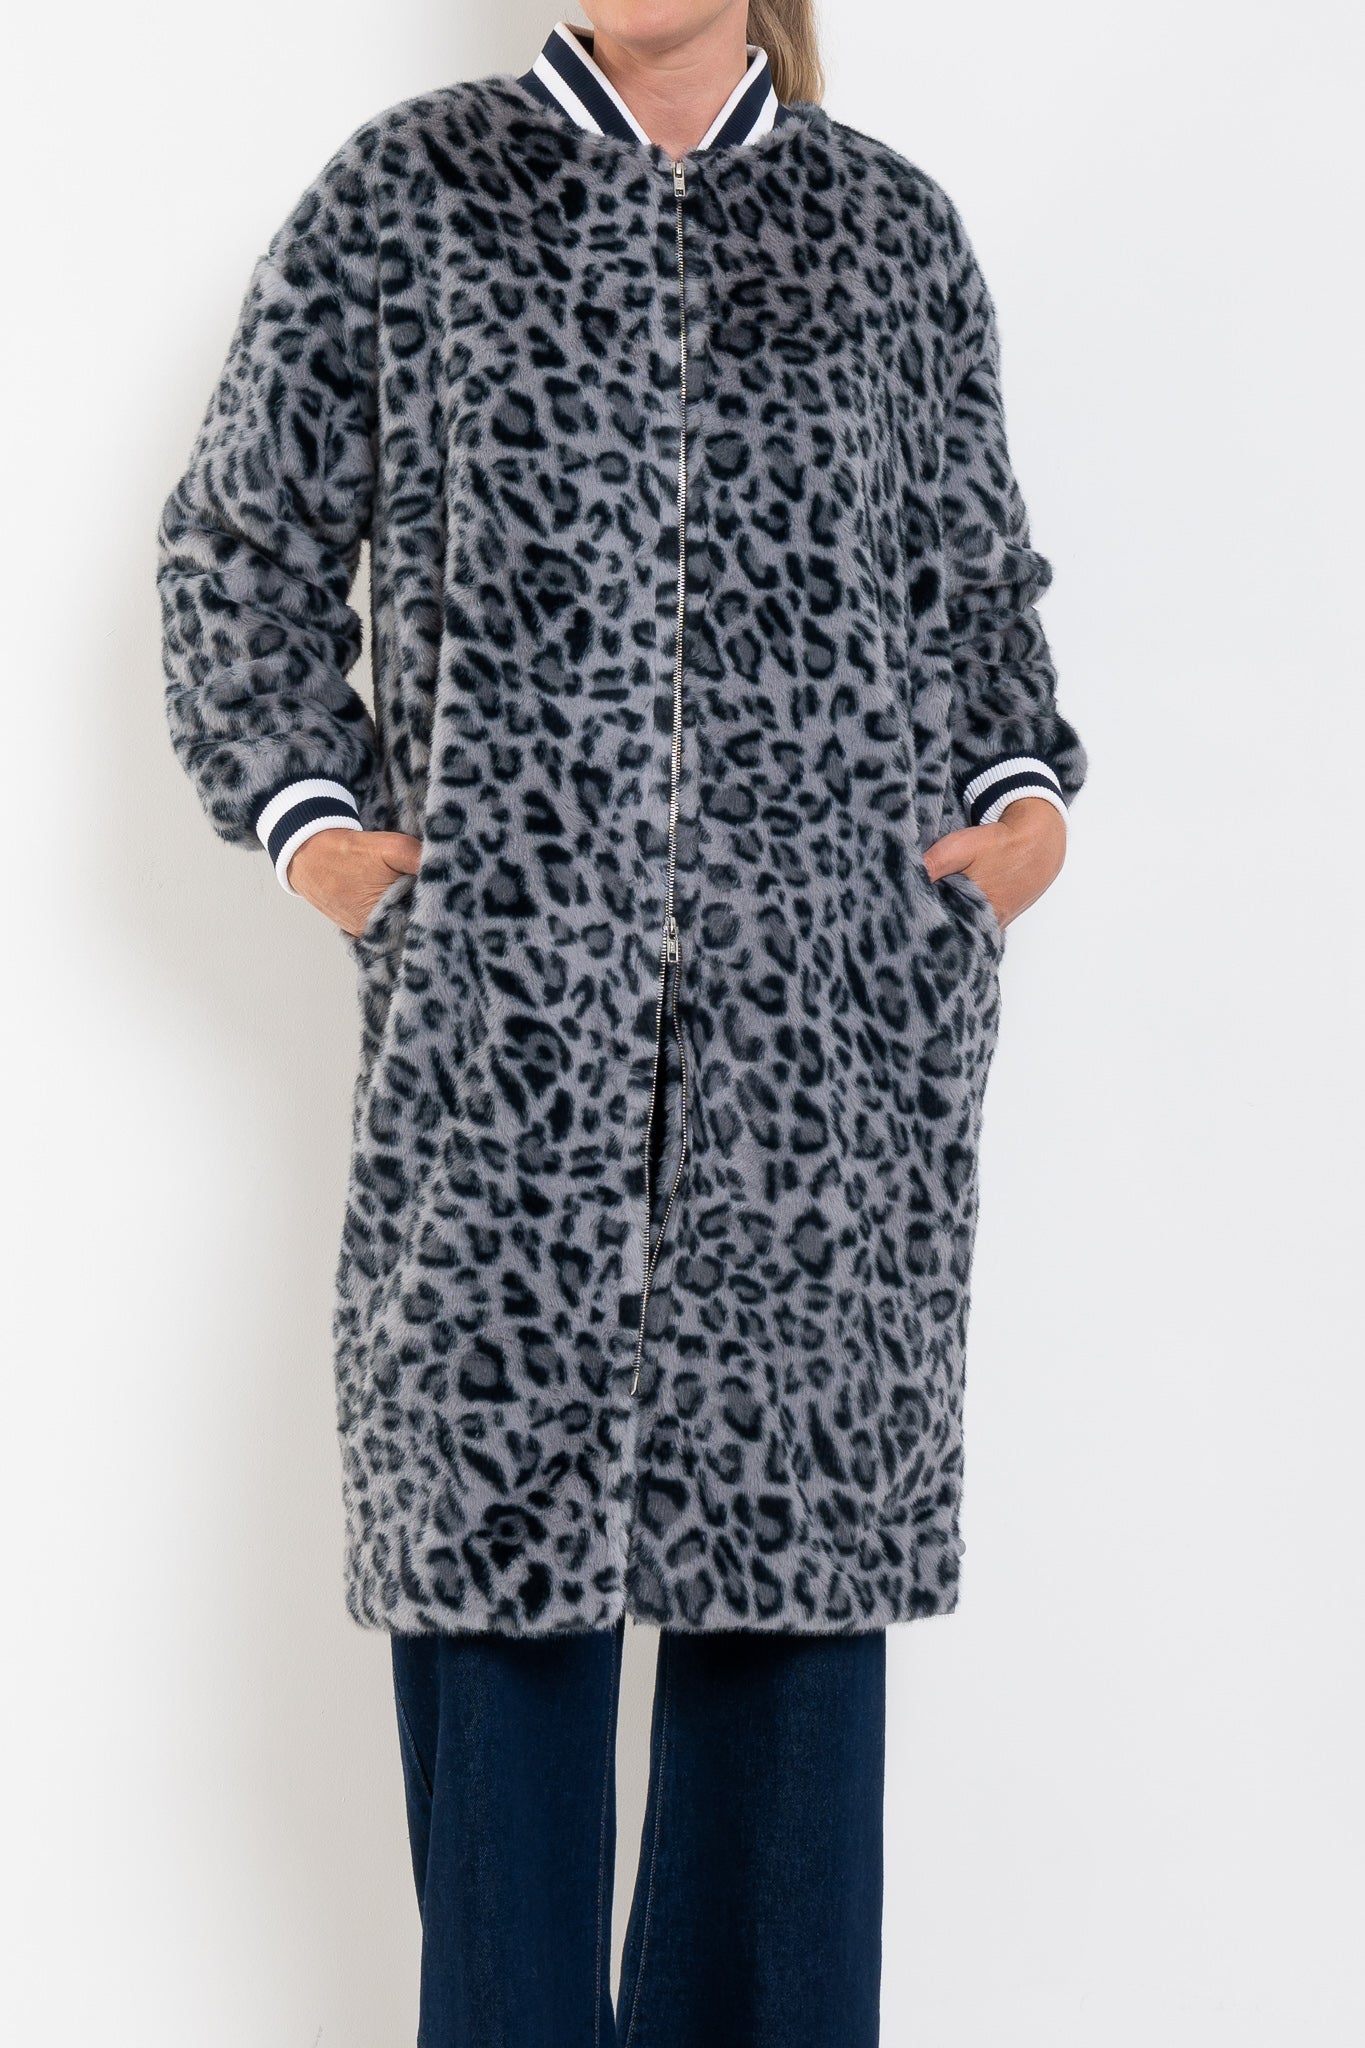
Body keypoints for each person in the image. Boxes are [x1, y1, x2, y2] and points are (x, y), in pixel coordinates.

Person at [156, 4, 1087, 2042]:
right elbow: (238, 550)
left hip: (821, 1084)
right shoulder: (413, 198)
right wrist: (325, 834)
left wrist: (1012, 821)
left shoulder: (886, 236)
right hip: (501, 1090)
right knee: (500, 1682)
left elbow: (974, 603)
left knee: (784, 1759)